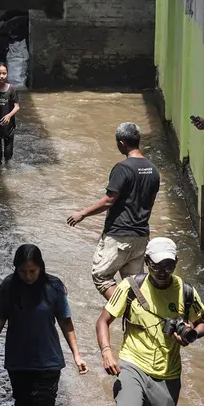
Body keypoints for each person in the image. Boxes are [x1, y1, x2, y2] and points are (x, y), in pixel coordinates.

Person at [94, 237, 204, 406]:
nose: (162, 271)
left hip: (168, 373)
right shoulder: (130, 287)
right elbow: (103, 321)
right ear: (146, 262)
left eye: (168, 265)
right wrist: (106, 351)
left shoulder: (186, 292)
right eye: (156, 266)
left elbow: (203, 324)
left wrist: (191, 335)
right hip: (132, 363)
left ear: (176, 263)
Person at [0, 244, 88, 406]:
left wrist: (77, 355)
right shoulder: (9, 286)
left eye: (33, 271)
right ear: (16, 269)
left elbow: (65, 321)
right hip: (18, 360)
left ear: (41, 267)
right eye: (23, 271)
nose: (28, 276)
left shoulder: (54, 287)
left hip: (48, 360)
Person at [66, 122, 161, 300]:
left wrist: (82, 214)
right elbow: (150, 202)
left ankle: (126, 310)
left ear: (121, 143)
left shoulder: (123, 168)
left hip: (119, 235)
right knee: (134, 284)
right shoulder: (154, 170)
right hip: (141, 237)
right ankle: (140, 318)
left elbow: (109, 200)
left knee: (101, 276)